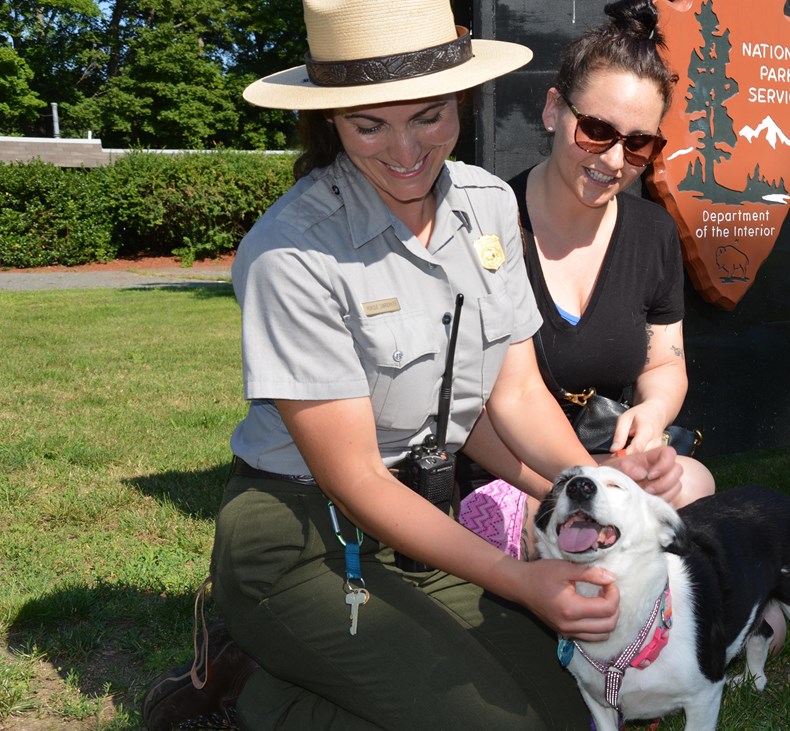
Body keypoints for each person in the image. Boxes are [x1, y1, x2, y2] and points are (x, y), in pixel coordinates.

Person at [140, 1, 684, 729]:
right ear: (330, 121)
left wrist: (593, 487)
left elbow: (514, 391)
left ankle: (302, 674)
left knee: (578, 715)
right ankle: (251, 688)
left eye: (429, 116)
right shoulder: (290, 254)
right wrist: (520, 579)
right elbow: (357, 478)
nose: (405, 149)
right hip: (301, 541)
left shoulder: (491, 206)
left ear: (461, 99)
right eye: (370, 124)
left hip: (426, 526)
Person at [453, 0, 715, 562]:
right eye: (597, 130)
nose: (615, 159)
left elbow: (665, 364)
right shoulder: (488, 225)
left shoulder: (653, 233)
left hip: (606, 464)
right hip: (508, 468)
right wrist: (581, 481)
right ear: (554, 110)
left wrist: (653, 416)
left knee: (693, 484)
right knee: (555, 540)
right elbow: (467, 407)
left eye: (640, 144)